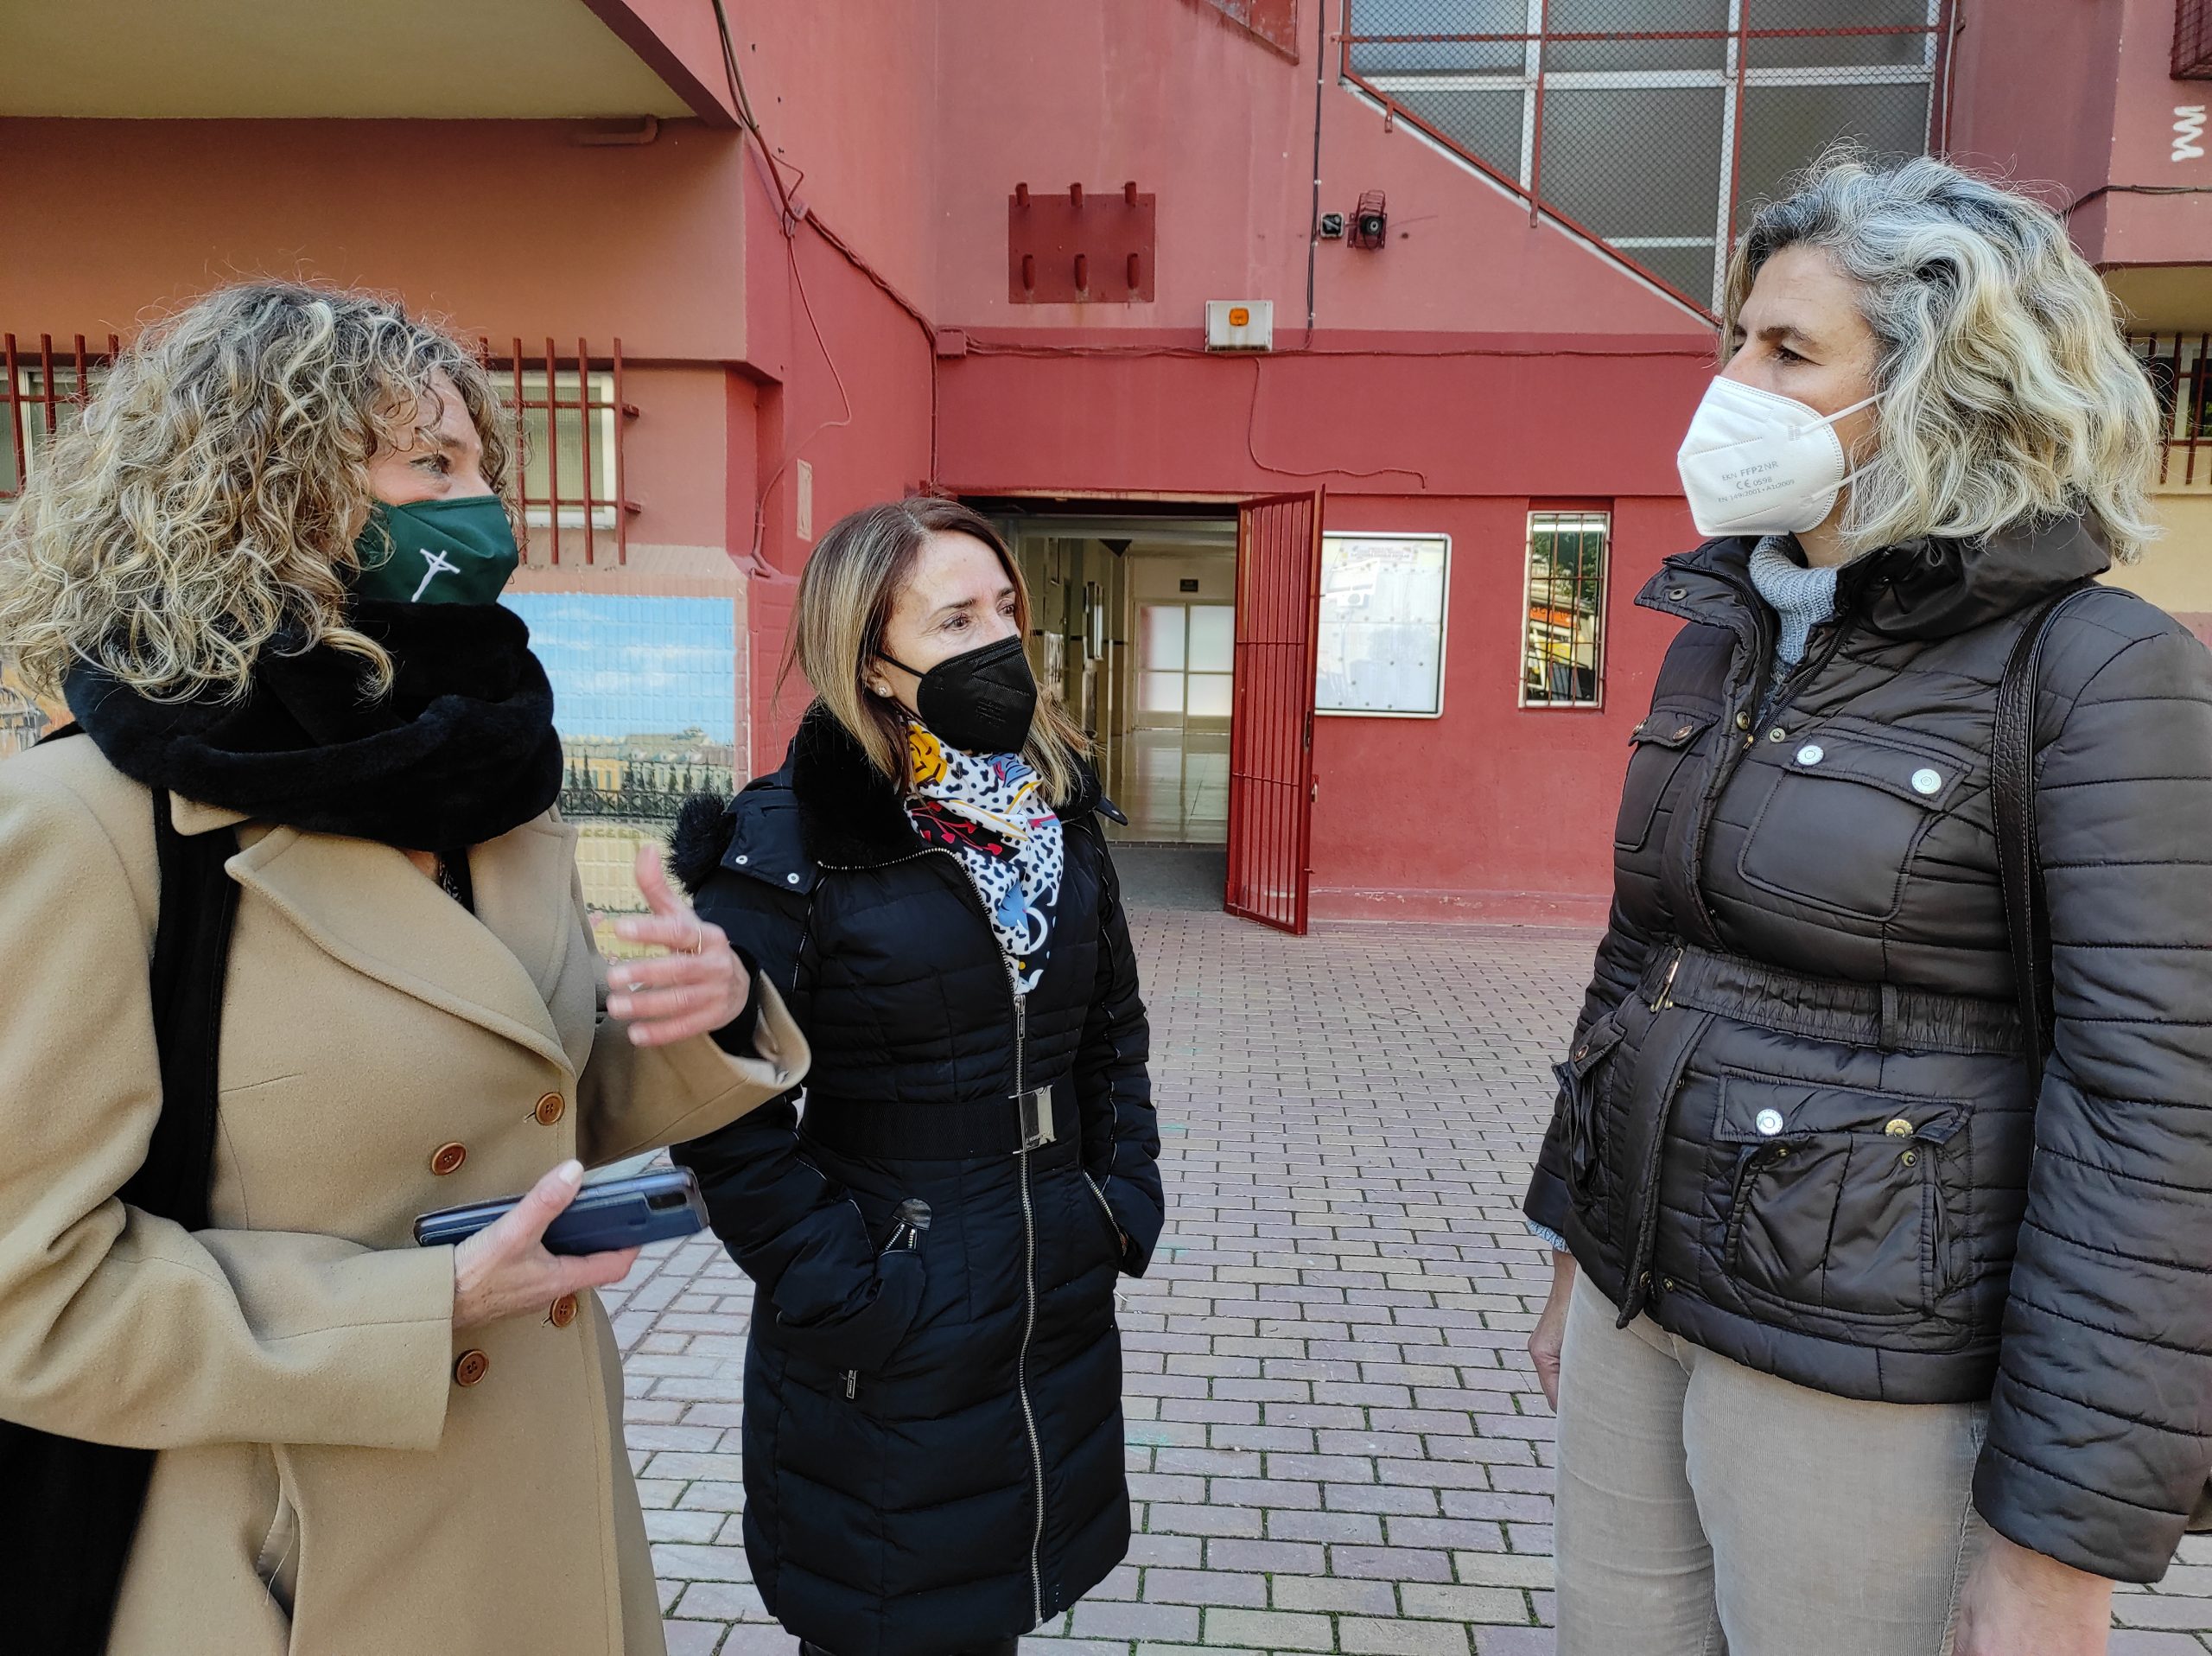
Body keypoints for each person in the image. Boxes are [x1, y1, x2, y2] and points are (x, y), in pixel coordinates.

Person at [0, 282, 807, 1656]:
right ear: (268, 491)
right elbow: (30, 1296)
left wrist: (691, 1022)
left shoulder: (475, 774)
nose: (480, 506)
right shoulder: (85, 825)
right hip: (299, 1562)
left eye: (484, 462)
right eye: (431, 464)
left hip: (534, 1502)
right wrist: (419, 1308)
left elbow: (525, 1109)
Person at [1522, 153, 2212, 1656]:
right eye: (1737, 339)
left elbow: (2158, 1114)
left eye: (1788, 349)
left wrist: (2059, 1546)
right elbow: (1648, 953)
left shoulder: (2096, 669)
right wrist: (1575, 1246)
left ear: (1942, 389)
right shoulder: (1731, 623)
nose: (1735, 381)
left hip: (1872, 1358)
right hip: (1646, 1297)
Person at [667, 497, 1164, 1656]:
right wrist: (850, 1287)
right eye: (954, 621)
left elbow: (1111, 1027)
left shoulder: (1050, 807)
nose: (996, 643)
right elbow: (716, 1108)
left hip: (1051, 1278)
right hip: (890, 1309)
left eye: (1006, 610)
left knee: (992, 1610)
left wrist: (1119, 1200)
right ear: (874, 661)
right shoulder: (789, 838)